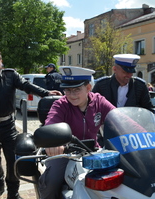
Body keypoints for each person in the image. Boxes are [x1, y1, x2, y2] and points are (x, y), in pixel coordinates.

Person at [0, 49, 62, 199]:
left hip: (8, 126)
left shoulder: (11, 75)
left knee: (13, 159)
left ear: (1, 61)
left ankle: (13, 192)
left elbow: (27, 86)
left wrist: (46, 93)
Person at [38, 66, 116, 199]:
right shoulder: (60, 105)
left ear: (88, 88)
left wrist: (140, 132)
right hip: (64, 154)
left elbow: (119, 118)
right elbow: (51, 122)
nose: (72, 95)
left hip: (93, 152)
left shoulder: (99, 101)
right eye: (67, 90)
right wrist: (53, 143)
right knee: (51, 182)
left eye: (77, 89)